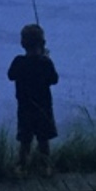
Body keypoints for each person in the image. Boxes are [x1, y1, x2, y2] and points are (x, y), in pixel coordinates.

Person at [7, 23, 58, 176]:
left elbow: (10, 75)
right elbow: (54, 79)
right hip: (44, 108)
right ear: (42, 43)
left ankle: (22, 167)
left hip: (25, 108)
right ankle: (45, 167)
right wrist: (45, 58)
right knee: (43, 140)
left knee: (25, 140)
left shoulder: (18, 62)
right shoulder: (46, 63)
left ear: (23, 44)